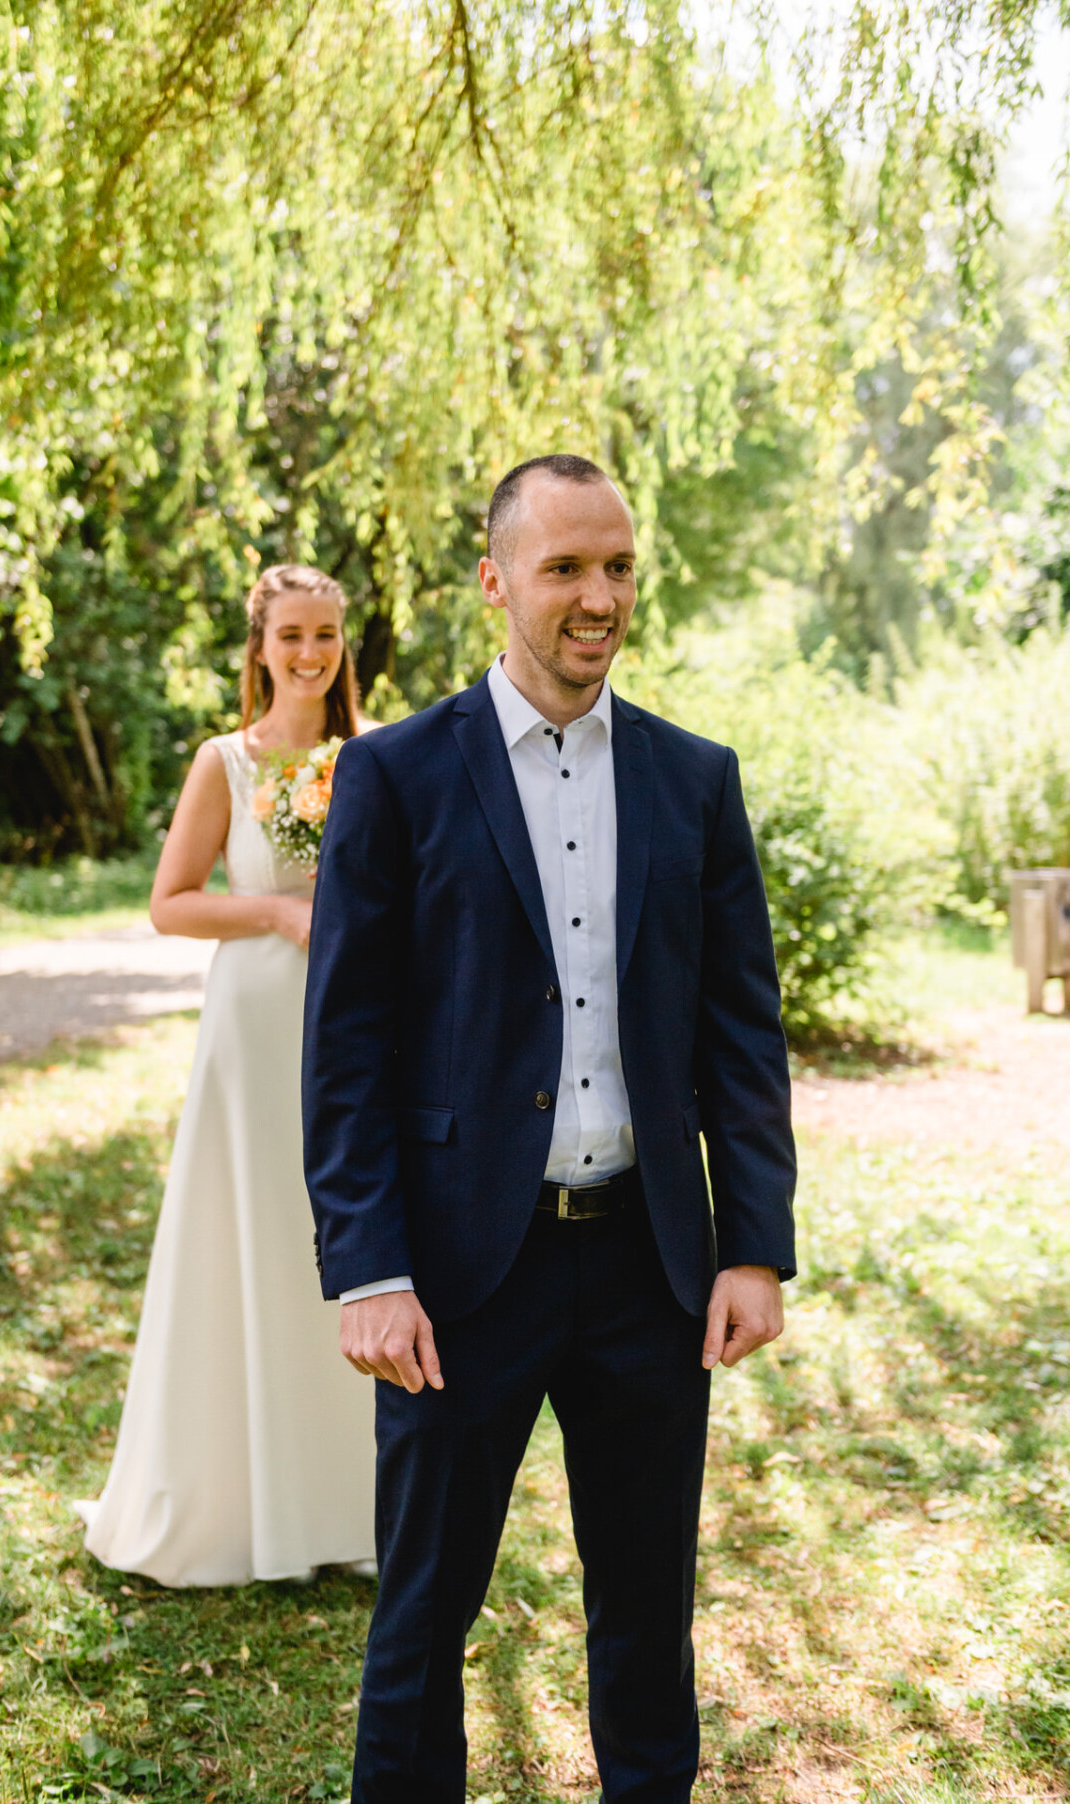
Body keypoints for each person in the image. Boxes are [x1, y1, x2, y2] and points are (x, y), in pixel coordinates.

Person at [302, 457, 797, 1800]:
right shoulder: (397, 776)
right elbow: (344, 1047)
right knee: (422, 1621)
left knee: (646, 1621)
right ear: (497, 581)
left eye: (619, 565)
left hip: (650, 1267)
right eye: (567, 567)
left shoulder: (695, 780)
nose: (598, 596)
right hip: (463, 1272)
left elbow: (742, 1036)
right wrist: (369, 1267)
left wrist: (752, 1243)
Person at [75, 564, 376, 1587]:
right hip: (253, 1022)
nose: (310, 652)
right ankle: (244, 1502)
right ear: (259, 645)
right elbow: (172, 901)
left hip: (356, 1019)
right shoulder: (226, 762)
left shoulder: (374, 757)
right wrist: (281, 911)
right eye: (292, 633)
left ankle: (346, 1504)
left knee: (339, 1236)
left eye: (327, 633)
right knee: (255, 1233)